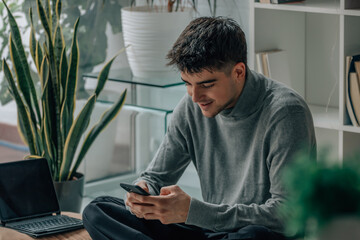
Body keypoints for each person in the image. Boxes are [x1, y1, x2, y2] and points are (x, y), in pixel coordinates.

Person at [82, 16, 316, 240]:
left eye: (206, 84)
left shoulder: (285, 112)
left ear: (238, 72)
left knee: (254, 236)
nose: (195, 97)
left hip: (255, 234)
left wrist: (193, 211)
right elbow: (155, 177)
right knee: (98, 210)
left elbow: (288, 215)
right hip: (209, 231)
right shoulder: (192, 107)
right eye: (188, 84)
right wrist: (143, 192)